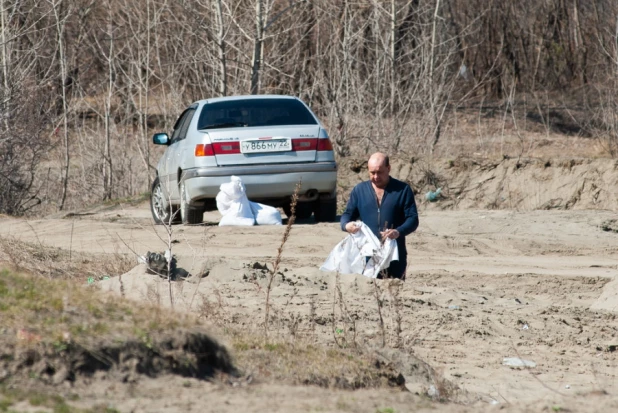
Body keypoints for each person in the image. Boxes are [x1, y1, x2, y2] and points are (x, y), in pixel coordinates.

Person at [340, 152, 419, 279]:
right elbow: (347, 215)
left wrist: (398, 232)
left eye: (380, 172)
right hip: (366, 255)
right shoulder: (359, 190)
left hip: (395, 254)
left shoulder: (402, 190)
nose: (376, 176)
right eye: (372, 173)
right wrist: (346, 225)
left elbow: (413, 219)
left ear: (388, 168)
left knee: (394, 292)